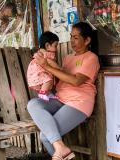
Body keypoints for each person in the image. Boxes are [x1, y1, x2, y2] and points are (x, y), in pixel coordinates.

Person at [27, 22, 100, 160]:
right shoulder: (68, 58)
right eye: (71, 36)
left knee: (45, 136)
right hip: (60, 99)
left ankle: (60, 148)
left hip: (79, 103)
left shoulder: (91, 58)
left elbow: (76, 81)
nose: (72, 40)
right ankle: (61, 148)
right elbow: (59, 76)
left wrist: (47, 66)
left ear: (87, 40)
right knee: (33, 104)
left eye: (76, 37)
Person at [27, 31, 59, 101]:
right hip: (38, 72)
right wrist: (59, 68)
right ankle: (42, 93)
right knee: (48, 80)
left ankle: (47, 93)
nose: (56, 49)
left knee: (47, 82)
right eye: (55, 46)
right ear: (47, 45)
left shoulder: (40, 52)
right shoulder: (47, 54)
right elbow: (51, 63)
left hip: (35, 73)